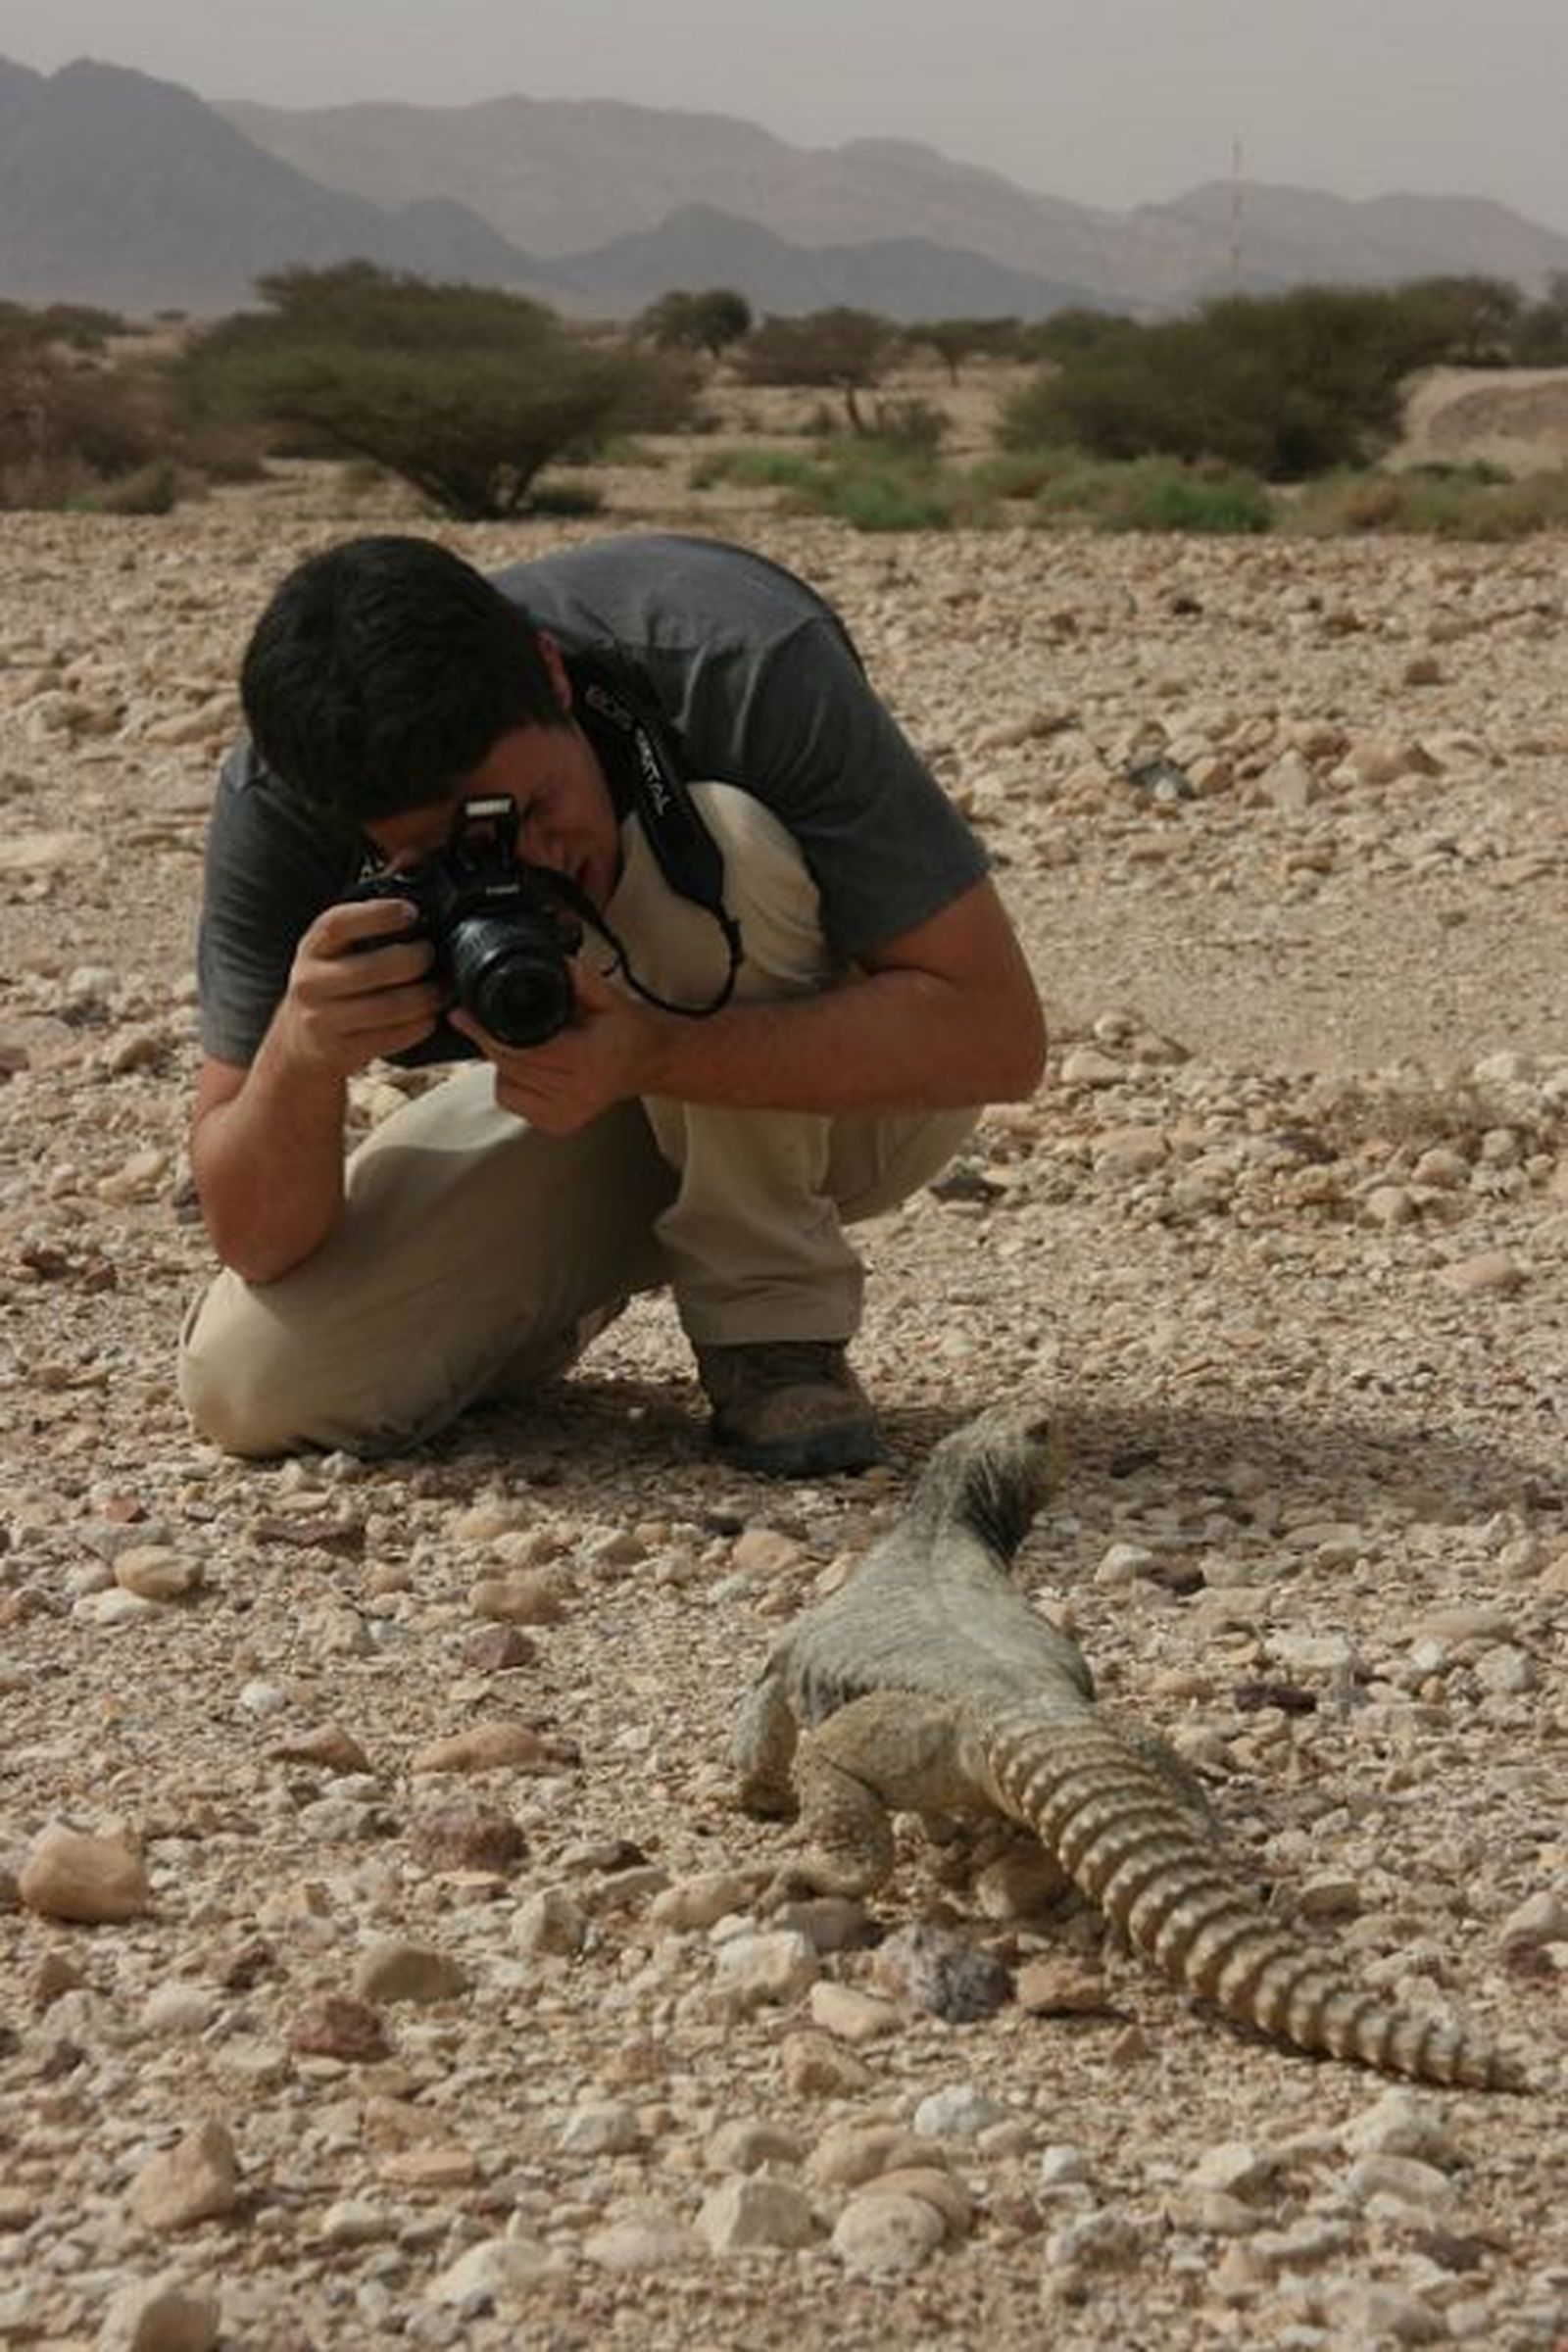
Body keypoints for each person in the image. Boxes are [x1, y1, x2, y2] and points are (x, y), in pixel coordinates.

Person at [178, 531, 1046, 1477]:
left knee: (721, 840)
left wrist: (656, 1053)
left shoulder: (735, 656)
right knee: (255, 1383)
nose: (534, 866)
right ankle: (556, 1299)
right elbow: (256, 1236)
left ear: (551, 675)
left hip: (849, 1100)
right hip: (582, 1101)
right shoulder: (281, 796)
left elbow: (995, 1039)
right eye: (452, 859)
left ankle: (771, 1334)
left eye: (538, 808)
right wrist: (300, 1058)